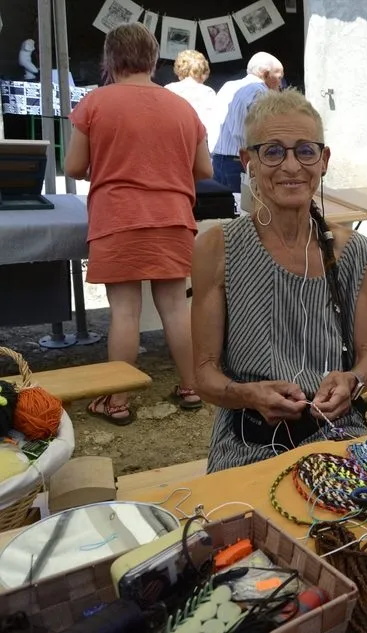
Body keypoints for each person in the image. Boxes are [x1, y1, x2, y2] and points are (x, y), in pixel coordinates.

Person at [192, 89, 367, 472]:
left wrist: (351, 382)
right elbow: (205, 374)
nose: (291, 166)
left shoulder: (352, 251)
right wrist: (247, 394)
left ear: (323, 161)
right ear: (249, 162)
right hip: (249, 440)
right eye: (273, 151)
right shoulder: (218, 247)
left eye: (305, 151)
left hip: (335, 430)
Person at [64, 23, 213, 424]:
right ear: (153, 60)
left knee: (125, 312)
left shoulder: (95, 103)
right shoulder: (182, 107)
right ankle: (192, 387)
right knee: (176, 309)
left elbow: (74, 166)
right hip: (173, 218)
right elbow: (203, 168)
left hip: (118, 218)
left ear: (110, 60)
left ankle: (117, 402)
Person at [211, 52, 283, 192]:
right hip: (240, 162)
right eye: (279, 77)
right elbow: (255, 132)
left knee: (224, 208)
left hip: (219, 159)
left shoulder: (229, 85)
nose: (280, 83)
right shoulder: (260, 91)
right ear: (266, 73)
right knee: (245, 210)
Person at [165, 50, 216, 142]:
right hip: (197, 143)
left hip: (171, 141)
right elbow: (210, 125)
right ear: (203, 71)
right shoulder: (207, 92)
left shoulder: (168, 89)